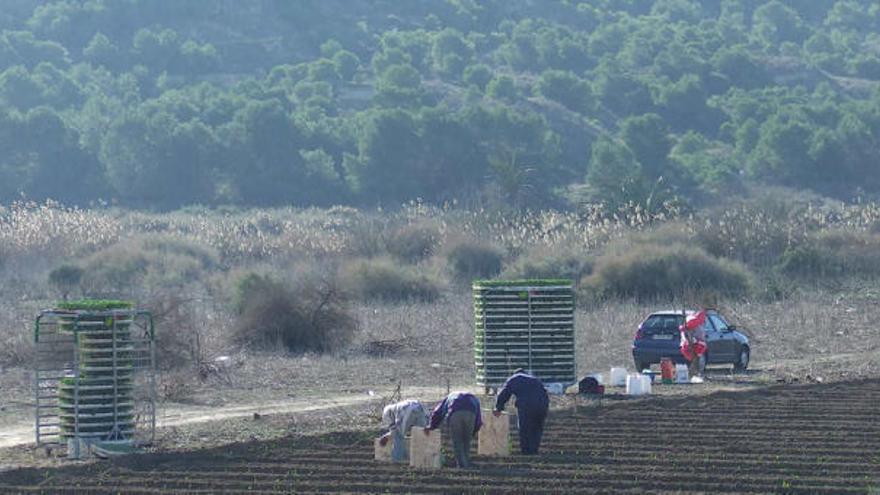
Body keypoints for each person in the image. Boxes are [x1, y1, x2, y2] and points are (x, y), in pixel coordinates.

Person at [493, 368, 549, 455]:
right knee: (537, 428)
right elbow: (544, 393)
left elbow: (504, 394)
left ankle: (526, 451)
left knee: (524, 428)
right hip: (542, 405)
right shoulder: (534, 379)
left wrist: (498, 408)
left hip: (526, 405)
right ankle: (534, 450)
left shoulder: (514, 378)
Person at [424, 391, 482, 468]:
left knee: (457, 441)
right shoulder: (474, 398)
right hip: (471, 413)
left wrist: (431, 426)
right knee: (466, 441)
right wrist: (474, 431)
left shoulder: (450, 397)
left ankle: (461, 465)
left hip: (455, 412)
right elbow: (478, 418)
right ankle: (466, 463)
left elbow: (437, 412)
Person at [680, 310, 708, 378]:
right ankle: (694, 374)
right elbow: (686, 335)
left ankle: (696, 374)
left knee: (698, 360)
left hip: (696, 346)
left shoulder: (698, 325)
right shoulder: (692, 324)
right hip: (692, 346)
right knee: (696, 360)